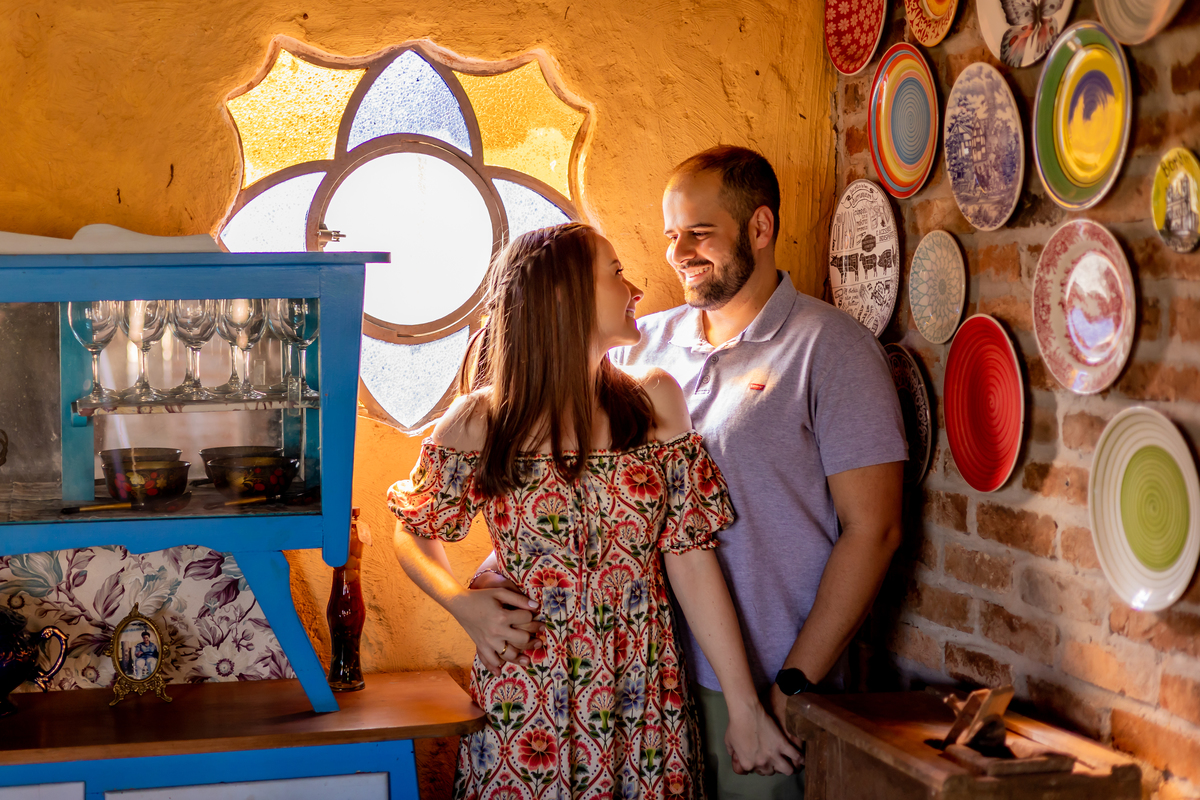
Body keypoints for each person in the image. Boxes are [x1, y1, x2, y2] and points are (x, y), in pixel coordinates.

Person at [472, 147, 907, 799]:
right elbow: (569, 477)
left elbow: (875, 532)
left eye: (700, 233)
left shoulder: (833, 348)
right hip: (638, 682)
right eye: (672, 234)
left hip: (762, 682)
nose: (678, 253)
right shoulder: (638, 344)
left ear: (760, 228)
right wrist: (493, 575)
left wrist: (793, 685)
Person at [389, 222, 800, 800]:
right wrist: (463, 606)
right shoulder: (480, 420)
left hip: (645, 692)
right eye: (616, 273)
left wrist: (745, 708)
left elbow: (690, 556)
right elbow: (414, 528)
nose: (636, 289)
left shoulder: (654, 399)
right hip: (527, 698)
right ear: (564, 296)